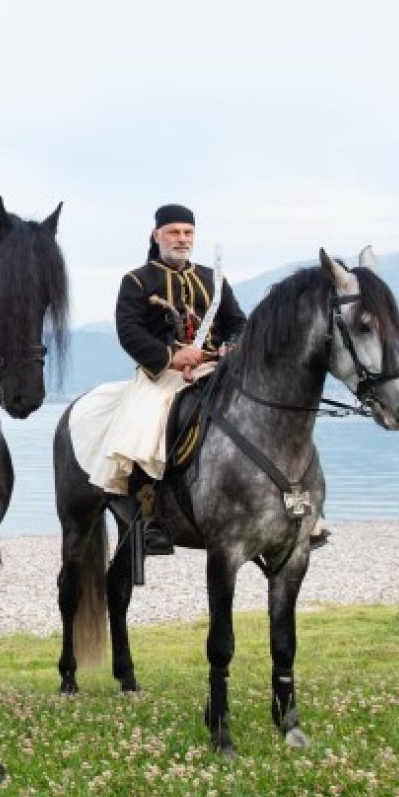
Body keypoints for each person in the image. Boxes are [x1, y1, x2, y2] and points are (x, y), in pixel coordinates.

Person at [70, 204, 246, 557]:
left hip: (214, 368)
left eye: (187, 233)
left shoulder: (214, 279)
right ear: (157, 236)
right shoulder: (137, 281)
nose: (182, 239)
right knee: (143, 426)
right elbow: (129, 331)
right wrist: (171, 357)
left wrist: (230, 346)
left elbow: (236, 321)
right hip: (161, 375)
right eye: (174, 233)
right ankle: (149, 516)